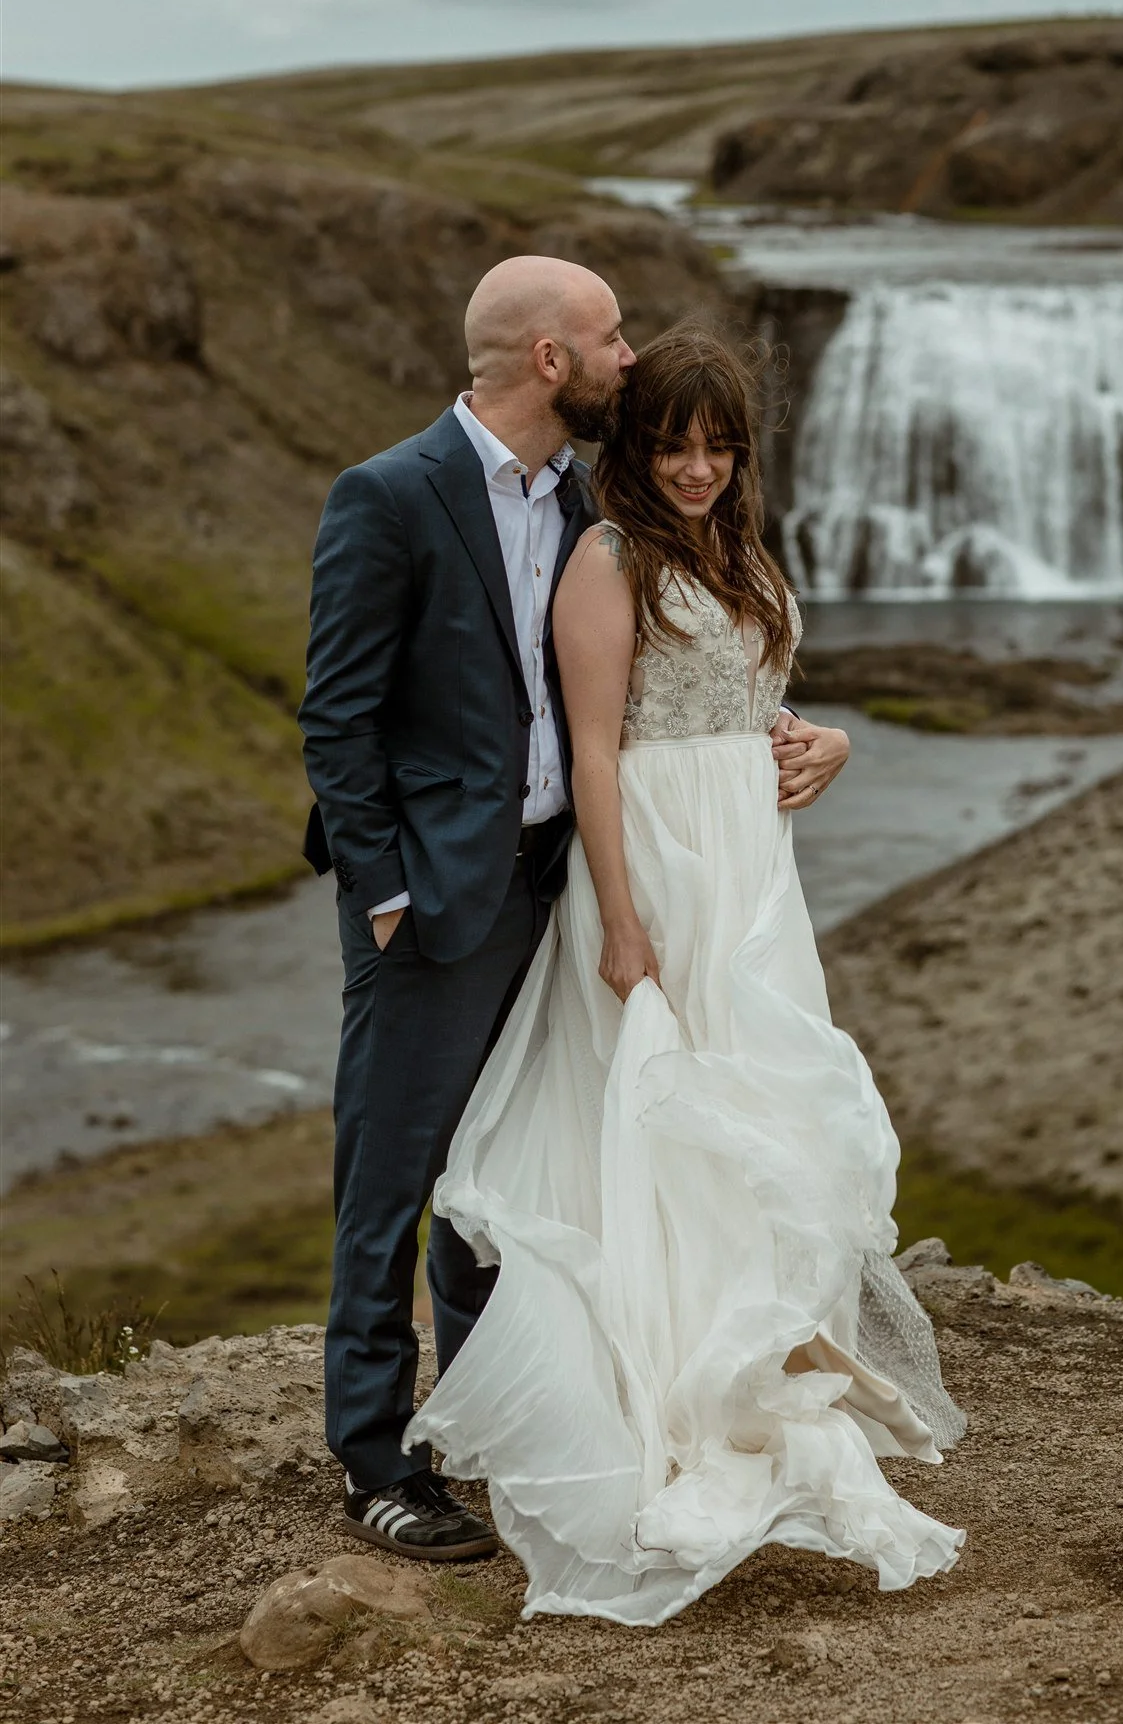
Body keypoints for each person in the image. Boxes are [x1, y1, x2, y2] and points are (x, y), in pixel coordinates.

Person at [405, 326, 965, 1623]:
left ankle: (758, 1361)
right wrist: (619, 916)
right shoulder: (609, 560)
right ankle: (654, 1401)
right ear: (635, 444)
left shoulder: (740, 553)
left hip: (751, 874)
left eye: (719, 443)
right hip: (656, 862)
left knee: (757, 1112)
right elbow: (596, 754)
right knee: (659, 1125)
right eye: (673, 441)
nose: (699, 465)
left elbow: (758, 706)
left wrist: (825, 744)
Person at [299, 260, 851, 1561]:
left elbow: (676, 677)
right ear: (551, 358)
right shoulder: (390, 495)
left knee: (516, 1162)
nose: (627, 356)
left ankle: (488, 1427)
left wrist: (799, 740)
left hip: (566, 878)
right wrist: (383, 892)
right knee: (397, 1172)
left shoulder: (585, 498)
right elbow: (337, 712)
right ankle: (376, 1461)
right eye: (607, 339)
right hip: (438, 896)